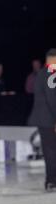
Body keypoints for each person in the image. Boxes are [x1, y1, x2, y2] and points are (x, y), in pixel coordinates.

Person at [28, 49, 56, 192]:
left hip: (41, 119)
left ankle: (50, 180)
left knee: (48, 151)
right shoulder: (52, 72)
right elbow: (52, 97)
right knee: (52, 151)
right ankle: (52, 180)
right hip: (50, 119)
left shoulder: (40, 73)